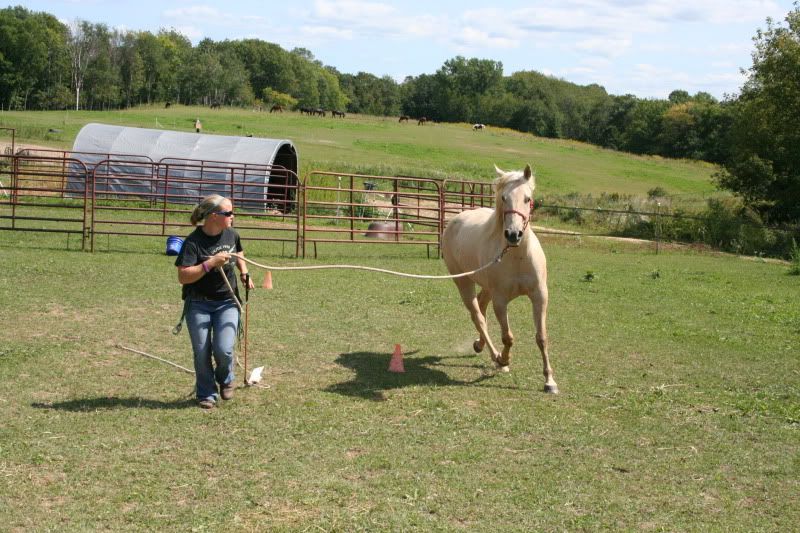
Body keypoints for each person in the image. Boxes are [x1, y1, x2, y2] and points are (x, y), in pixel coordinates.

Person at [175, 194, 254, 409]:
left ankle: (226, 379)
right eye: (228, 213)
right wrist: (210, 264)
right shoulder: (193, 242)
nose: (232, 216)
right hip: (198, 303)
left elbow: (238, 252)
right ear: (213, 216)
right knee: (202, 351)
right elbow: (183, 276)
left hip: (227, 302)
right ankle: (206, 393)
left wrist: (245, 273)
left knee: (224, 349)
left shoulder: (231, 234)